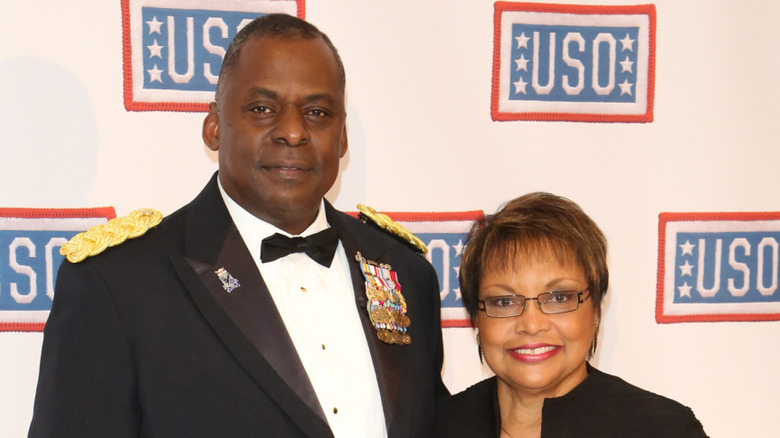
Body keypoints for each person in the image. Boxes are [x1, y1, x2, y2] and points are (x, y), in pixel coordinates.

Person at [29, 14, 446, 438]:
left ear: (342, 138)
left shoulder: (405, 274)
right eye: (262, 109)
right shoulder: (118, 285)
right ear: (213, 126)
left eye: (317, 112)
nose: (292, 132)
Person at [434, 192, 707, 438]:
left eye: (559, 298)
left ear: (596, 310)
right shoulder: (434, 427)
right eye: (504, 301)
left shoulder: (664, 430)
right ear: (476, 320)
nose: (531, 324)